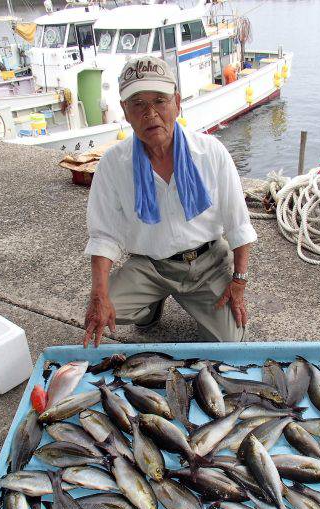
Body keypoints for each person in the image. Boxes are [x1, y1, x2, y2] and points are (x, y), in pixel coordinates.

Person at [83, 56, 257, 348]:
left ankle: (167, 301)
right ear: (125, 111)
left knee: (230, 343)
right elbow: (104, 235)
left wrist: (238, 281)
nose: (150, 113)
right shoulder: (113, 163)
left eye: (160, 101)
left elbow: (238, 224)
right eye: (138, 103)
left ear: (177, 102)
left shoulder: (211, 152)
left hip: (207, 264)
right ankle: (151, 304)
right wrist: (98, 295)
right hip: (150, 266)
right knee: (99, 316)